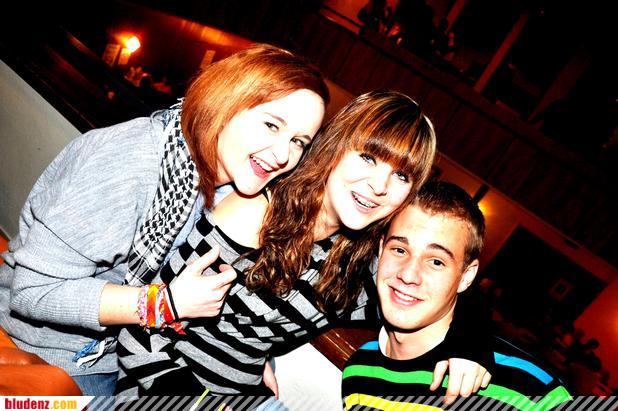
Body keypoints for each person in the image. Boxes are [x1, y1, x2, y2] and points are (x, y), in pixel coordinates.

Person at [116, 90, 492, 405]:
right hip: (167, 390)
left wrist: (470, 345)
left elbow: (448, 291)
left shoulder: (360, 264)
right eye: (368, 158)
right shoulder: (255, 215)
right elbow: (140, 333)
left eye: (401, 176)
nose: (379, 186)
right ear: (334, 148)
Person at [0, 44, 329, 396]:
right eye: (271, 125)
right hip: (43, 349)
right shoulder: (129, 161)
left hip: (116, 352)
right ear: (225, 103)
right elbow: (33, 293)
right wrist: (163, 304)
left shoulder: (233, 188)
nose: (282, 154)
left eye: (298, 141)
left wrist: (246, 357)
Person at [341, 181, 572, 410]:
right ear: (381, 250)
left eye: (436, 262)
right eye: (400, 250)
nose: (409, 275)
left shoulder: (530, 390)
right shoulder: (357, 372)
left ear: (466, 277)